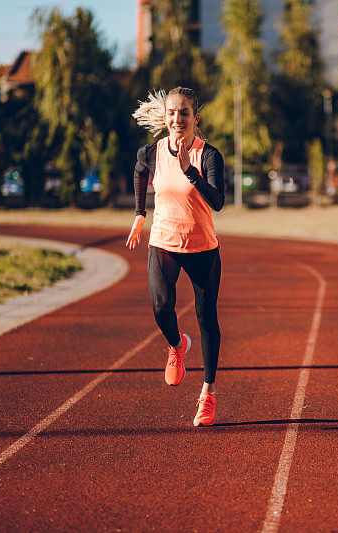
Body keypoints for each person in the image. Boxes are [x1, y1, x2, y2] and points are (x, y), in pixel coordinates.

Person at [126, 87, 225, 427]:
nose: (177, 119)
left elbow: (217, 201)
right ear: (164, 116)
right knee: (160, 306)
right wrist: (140, 214)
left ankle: (207, 395)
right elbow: (139, 171)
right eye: (171, 112)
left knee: (206, 319)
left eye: (184, 113)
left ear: (195, 118)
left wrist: (189, 171)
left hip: (202, 247)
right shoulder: (151, 152)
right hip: (164, 242)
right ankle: (176, 346)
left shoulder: (208, 155)